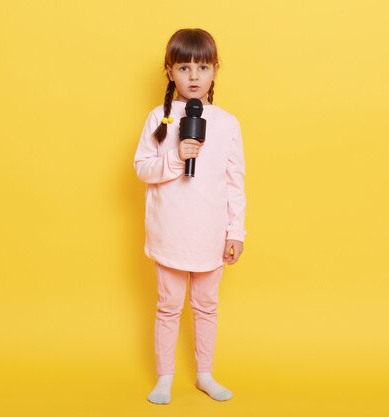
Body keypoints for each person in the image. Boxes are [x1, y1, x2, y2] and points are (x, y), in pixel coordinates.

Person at [133, 28, 246, 405]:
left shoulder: (228, 123)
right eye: (184, 67)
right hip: (169, 233)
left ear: (215, 71)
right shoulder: (159, 119)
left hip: (210, 235)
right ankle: (165, 377)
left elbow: (235, 182)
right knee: (168, 307)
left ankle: (204, 374)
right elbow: (142, 169)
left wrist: (236, 231)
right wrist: (177, 156)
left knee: (206, 306)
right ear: (169, 71)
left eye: (203, 67)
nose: (194, 76)